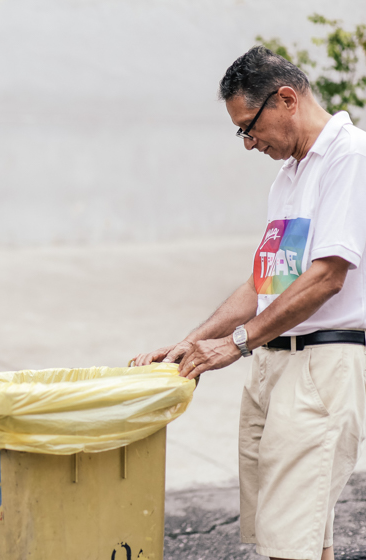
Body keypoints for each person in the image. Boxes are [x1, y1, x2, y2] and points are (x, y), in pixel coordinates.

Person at [133, 46, 366, 560]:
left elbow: (327, 277)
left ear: (286, 99)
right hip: (274, 364)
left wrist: (235, 344)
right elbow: (265, 282)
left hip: (321, 367)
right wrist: (193, 341)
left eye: (248, 126)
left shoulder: (350, 157)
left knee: (290, 546)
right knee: (296, 540)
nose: (247, 142)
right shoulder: (288, 177)